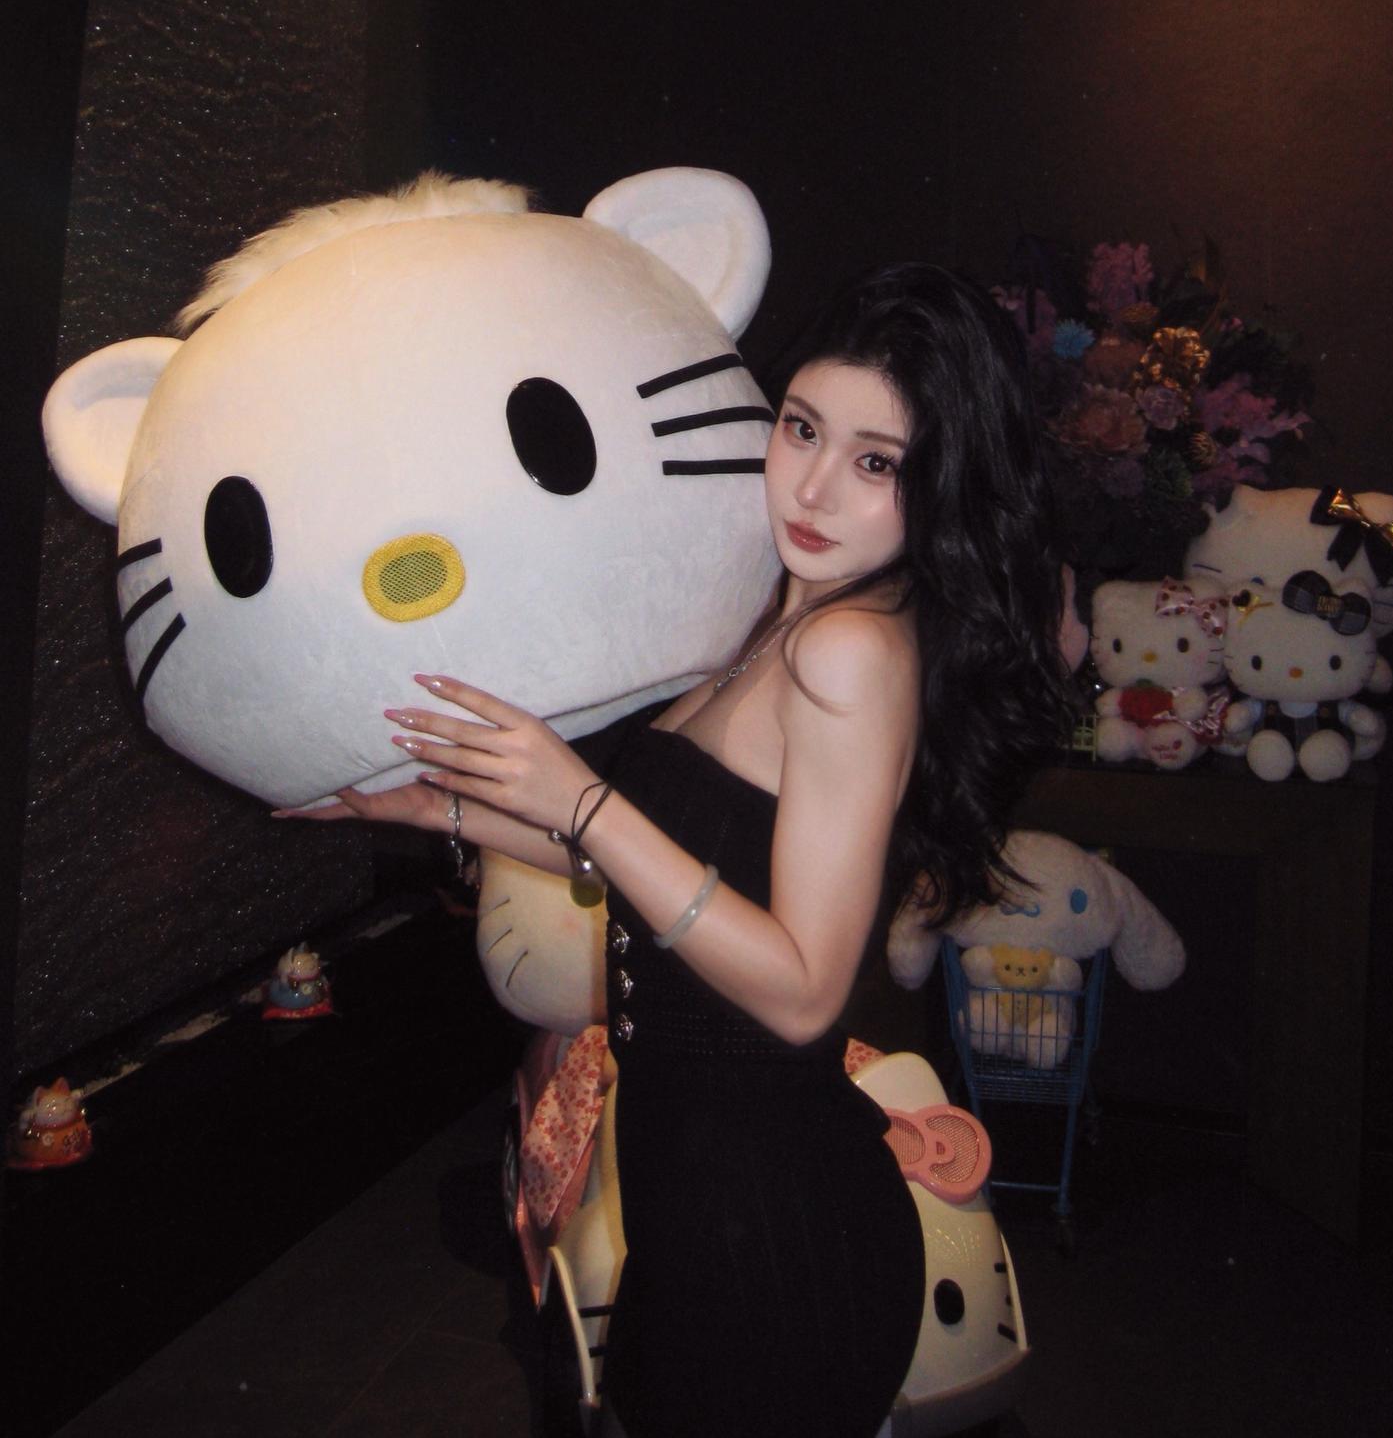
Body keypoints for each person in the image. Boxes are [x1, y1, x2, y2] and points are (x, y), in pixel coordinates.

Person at [297, 261, 1072, 1438]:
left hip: (772, 1222)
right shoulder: (793, 615)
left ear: (943, 481)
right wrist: (426, 809)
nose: (812, 485)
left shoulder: (848, 652)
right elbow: (669, 865)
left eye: (876, 462)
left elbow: (804, 989)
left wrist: (581, 797)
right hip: (701, 1192)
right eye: (801, 427)